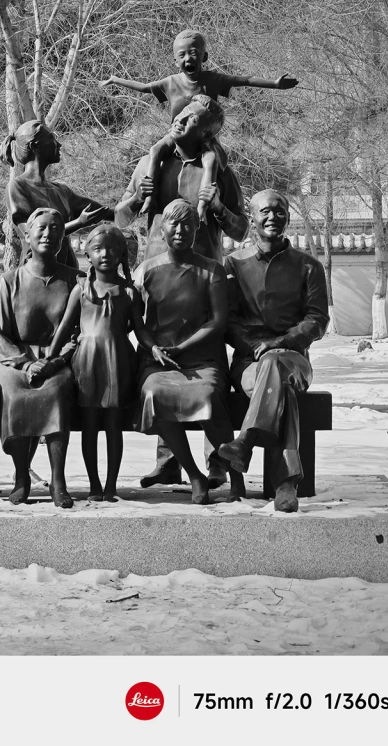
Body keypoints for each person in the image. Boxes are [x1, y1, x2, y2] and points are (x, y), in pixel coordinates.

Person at [115, 96, 248, 489]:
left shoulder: (217, 169)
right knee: (163, 361)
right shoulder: (152, 161)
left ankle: (217, 461)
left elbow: (242, 229)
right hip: (157, 277)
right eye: (182, 113)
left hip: (205, 278)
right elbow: (120, 217)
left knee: (206, 365)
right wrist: (137, 197)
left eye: (192, 119)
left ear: (206, 132)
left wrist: (218, 207)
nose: (181, 120)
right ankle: (169, 461)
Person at [102, 29, 297, 218]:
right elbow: (144, 87)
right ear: (175, 61)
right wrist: (115, 79)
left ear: (204, 56)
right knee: (155, 151)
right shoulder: (170, 82)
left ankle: (203, 207)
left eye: (193, 53)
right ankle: (149, 198)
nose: (188, 58)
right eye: (182, 55)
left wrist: (274, 84)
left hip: (205, 139)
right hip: (176, 135)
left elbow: (245, 80)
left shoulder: (213, 79)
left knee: (211, 161)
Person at [217, 190, 329, 513]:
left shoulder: (308, 266)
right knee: (281, 390)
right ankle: (286, 484)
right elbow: (227, 320)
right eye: (264, 211)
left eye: (280, 211)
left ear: (289, 218)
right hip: (248, 363)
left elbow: (318, 320)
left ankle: (246, 441)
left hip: (294, 360)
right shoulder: (234, 264)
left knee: (276, 365)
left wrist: (280, 343)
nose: (272, 217)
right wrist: (255, 346)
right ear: (252, 218)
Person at [132, 199, 237, 505]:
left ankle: (236, 475)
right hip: (159, 362)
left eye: (187, 224)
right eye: (173, 223)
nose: (180, 230)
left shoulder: (212, 270)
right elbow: (138, 323)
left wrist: (181, 347)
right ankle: (194, 475)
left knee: (208, 396)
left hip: (202, 359)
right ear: (161, 230)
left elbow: (217, 321)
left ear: (197, 229)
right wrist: (153, 348)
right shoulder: (145, 270)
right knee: (153, 394)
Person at [49, 224, 149, 502]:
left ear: (122, 255)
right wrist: (50, 358)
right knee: (90, 424)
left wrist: (155, 349)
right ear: (88, 254)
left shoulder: (129, 292)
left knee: (114, 425)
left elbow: (140, 330)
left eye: (112, 249)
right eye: (98, 249)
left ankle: (111, 485)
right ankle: (94, 484)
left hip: (118, 361)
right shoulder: (81, 289)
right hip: (87, 362)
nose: (105, 254)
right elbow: (64, 327)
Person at [0, 208, 79, 509]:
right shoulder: (9, 281)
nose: (48, 234)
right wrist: (27, 363)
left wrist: (54, 361)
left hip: (59, 362)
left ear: (63, 238)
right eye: (41, 228)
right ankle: (21, 476)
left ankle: (58, 480)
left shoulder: (74, 281)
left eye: (56, 229)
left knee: (56, 393)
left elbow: (78, 332)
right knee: (15, 395)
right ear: (27, 235)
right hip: (16, 360)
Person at [0, 120, 113, 268]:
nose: (59, 144)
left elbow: (108, 212)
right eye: (52, 138)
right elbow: (33, 234)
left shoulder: (62, 190)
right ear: (35, 146)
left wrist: (137, 200)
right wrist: (79, 223)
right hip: (37, 272)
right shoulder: (17, 187)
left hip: (68, 270)